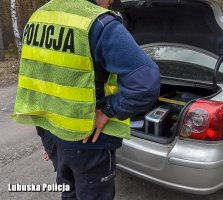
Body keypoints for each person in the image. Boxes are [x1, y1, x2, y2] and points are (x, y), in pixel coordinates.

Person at [12, 0, 160, 199]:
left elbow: (40, 81)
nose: (110, 2)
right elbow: (145, 85)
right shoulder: (99, 24)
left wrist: (51, 140)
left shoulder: (37, 18)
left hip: (51, 135)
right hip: (88, 140)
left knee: (68, 192)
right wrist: (108, 109)